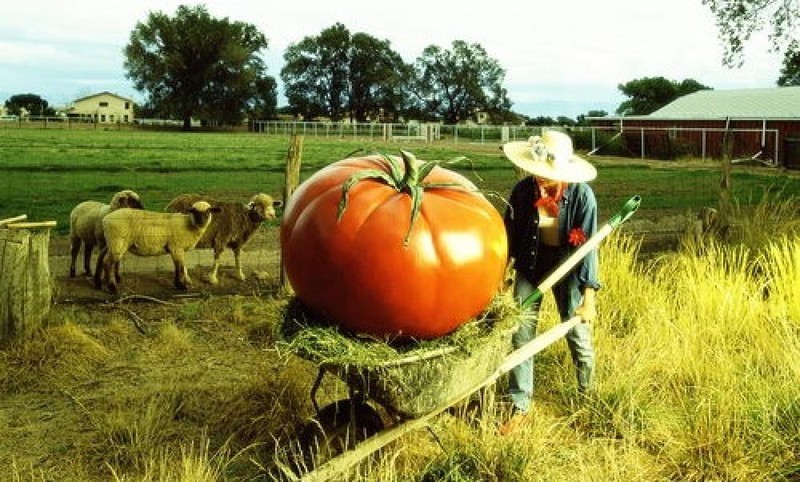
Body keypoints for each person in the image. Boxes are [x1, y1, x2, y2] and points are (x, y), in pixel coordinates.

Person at [500, 130, 600, 433]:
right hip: (531, 269)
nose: (540, 179)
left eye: (547, 175)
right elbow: (508, 237)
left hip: (566, 271)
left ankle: (589, 399)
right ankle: (520, 406)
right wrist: (501, 273)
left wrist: (589, 299)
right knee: (520, 336)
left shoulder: (583, 197)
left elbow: (588, 249)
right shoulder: (522, 192)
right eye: (537, 173)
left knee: (578, 336)